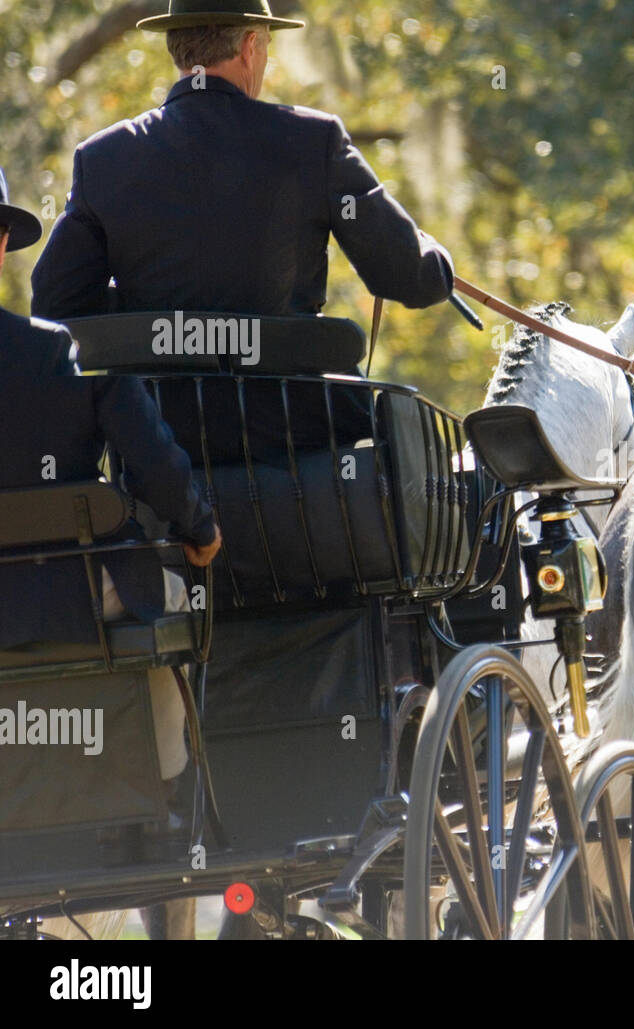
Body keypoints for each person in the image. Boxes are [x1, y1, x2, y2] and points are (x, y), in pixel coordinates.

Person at [30, 1, 457, 463]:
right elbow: (412, 280)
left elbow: (55, 303)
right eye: (267, 43)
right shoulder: (313, 140)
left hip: (164, 450)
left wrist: (153, 319)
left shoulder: (104, 159)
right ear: (250, 45)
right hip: (304, 453)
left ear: (177, 48)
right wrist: (432, 256)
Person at [0, 165, 222, 787]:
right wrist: (198, 527)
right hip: (77, 592)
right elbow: (154, 462)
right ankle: (164, 786)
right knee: (174, 601)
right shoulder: (67, 354)